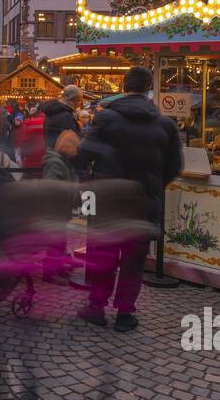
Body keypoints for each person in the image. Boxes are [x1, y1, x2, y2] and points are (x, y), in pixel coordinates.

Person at [77, 66, 182, 332]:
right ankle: (124, 313)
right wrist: (152, 185)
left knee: (104, 254)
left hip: (109, 200)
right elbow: (174, 166)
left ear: (124, 86)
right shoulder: (165, 124)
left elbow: (84, 154)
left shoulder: (106, 118)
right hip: (143, 202)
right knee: (134, 261)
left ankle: (96, 306)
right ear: (148, 88)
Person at [41, 86, 82, 165]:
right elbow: (72, 141)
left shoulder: (52, 112)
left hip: (52, 155)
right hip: (62, 159)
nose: (80, 103)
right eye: (79, 100)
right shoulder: (65, 115)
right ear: (71, 100)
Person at [13, 100, 46, 173]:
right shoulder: (46, 121)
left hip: (30, 162)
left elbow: (21, 143)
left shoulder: (28, 123)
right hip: (44, 161)